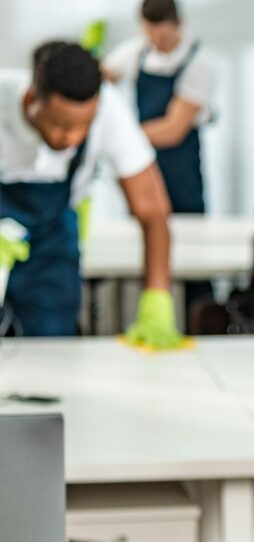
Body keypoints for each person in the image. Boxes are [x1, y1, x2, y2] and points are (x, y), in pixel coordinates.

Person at [0, 40, 181, 344]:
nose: (72, 137)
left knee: (52, 347)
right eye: (60, 124)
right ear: (32, 98)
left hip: (52, 248)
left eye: (84, 126)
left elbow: (153, 211)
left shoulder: (108, 109)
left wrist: (157, 299)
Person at [103, 0, 215, 319]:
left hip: (182, 178)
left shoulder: (199, 63)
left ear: (177, 24)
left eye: (162, 33)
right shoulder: (135, 52)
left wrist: (119, 135)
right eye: (149, 32)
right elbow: (101, 79)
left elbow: (172, 129)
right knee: (142, 249)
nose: (156, 41)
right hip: (143, 171)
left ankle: (199, 323)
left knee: (191, 260)